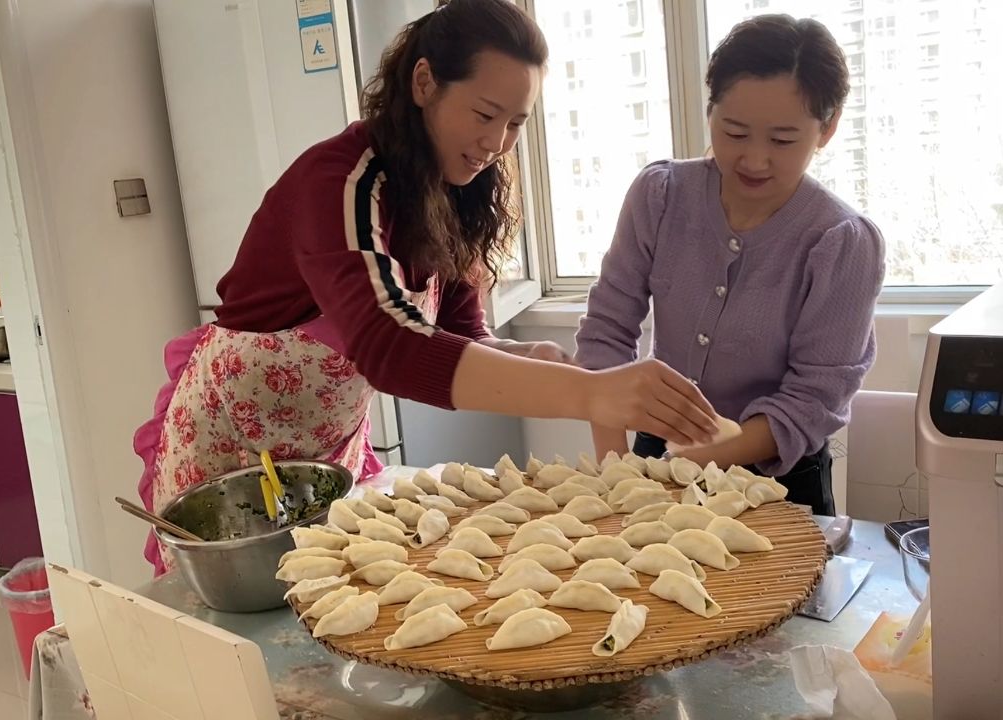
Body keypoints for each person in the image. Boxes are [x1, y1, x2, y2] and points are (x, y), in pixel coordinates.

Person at [134, 0, 718, 574]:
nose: (498, 144)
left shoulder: (458, 192)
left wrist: (523, 357)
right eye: (485, 114)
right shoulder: (340, 181)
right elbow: (392, 347)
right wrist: (589, 395)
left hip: (323, 459)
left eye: (516, 123)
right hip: (227, 466)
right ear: (423, 82)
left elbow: (458, 334)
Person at [575, 15, 886, 515]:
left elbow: (813, 397)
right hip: (656, 457)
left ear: (827, 127)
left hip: (779, 481)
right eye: (734, 132)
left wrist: (700, 456)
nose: (754, 160)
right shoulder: (660, 196)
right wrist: (615, 467)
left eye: (782, 140)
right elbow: (608, 329)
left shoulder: (841, 242)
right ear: (710, 111)